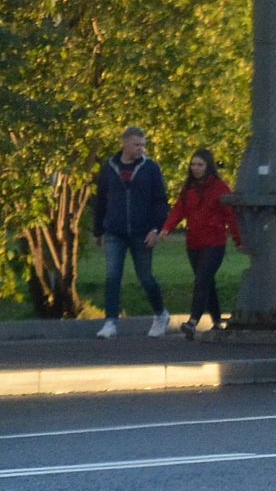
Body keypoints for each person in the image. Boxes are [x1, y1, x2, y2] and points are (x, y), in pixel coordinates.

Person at [90, 127, 173, 338]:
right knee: (112, 275)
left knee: (145, 277)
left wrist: (155, 228)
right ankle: (110, 321)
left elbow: (160, 201)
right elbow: (101, 199)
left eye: (143, 145)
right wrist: (98, 229)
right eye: (137, 145)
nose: (141, 149)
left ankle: (160, 313)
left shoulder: (150, 168)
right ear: (125, 143)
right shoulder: (109, 167)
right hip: (114, 230)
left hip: (142, 231)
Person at [161, 148, 244, 339]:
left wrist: (238, 239)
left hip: (214, 242)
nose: (196, 168)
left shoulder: (220, 187)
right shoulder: (189, 188)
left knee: (202, 280)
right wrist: (167, 228)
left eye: (200, 164)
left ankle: (193, 321)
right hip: (194, 242)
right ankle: (217, 321)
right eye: (193, 164)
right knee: (206, 281)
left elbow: (230, 215)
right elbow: (178, 210)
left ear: (208, 166)